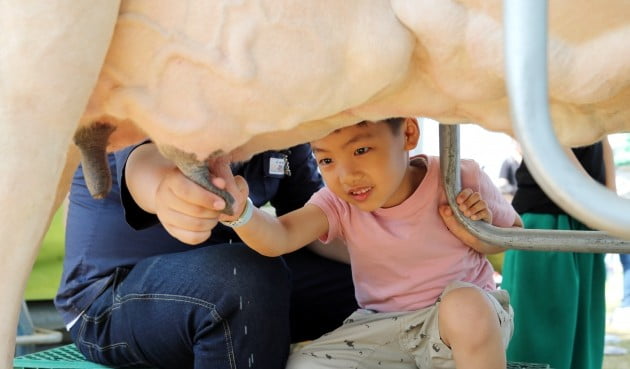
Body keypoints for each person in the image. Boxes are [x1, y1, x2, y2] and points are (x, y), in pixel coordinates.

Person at [212, 117, 522, 369]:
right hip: (384, 328)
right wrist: (240, 211)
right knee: (304, 364)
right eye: (327, 160)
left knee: (465, 306)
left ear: (409, 134)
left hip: (460, 327)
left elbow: (512, 234)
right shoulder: (337, 202)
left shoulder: (457, 175)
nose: (347, 176)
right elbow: (280, 235)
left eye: (360, 150)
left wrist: (475, 231)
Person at [54, 142, 358, 369]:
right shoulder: (168, 97)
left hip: (234, 282)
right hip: (108, 301)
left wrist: (394, 258)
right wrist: (165, 189)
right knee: (243, 278)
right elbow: (142, 162)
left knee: (370, 283)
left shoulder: (285, 129)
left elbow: (310, 224)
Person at [500, 140, 616, 369]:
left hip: (587, 219)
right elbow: (547, 139)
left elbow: (603, 139)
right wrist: (603, 201)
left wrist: (609, 200)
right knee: (538, 343)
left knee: (584, 343)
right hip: (547, 218)